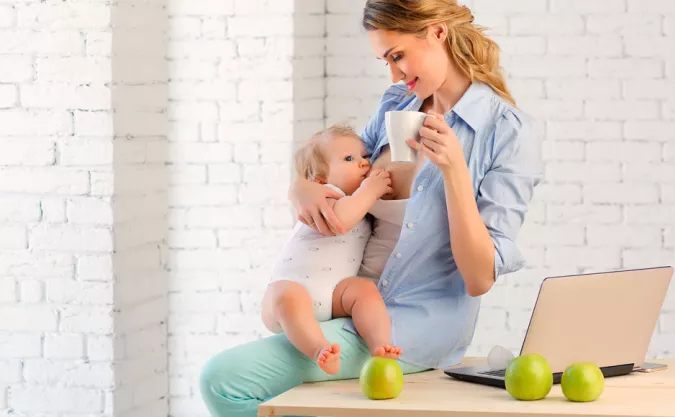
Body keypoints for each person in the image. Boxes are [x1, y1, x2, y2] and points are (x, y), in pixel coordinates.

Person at [200, 1, 542, 416]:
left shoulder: (506, 131)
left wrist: (454, 171)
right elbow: (341, 170)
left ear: (437, 33)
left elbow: (478, 278)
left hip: (415, 326)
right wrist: (302, 187)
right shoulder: (398, 103)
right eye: (385, 60)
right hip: (352, 302)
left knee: (223, 379)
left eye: (398, 56)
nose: (394, 73)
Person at [262, 123, 401, 376]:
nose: (363, 163)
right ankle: (319, 350)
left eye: (365, 157)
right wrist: (371, 190)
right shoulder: (328, 197)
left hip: (334, 294)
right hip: (293, 289)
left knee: (364, 291)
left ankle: (380, 344)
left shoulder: (361, 206)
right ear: (320, 180)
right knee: (286, 296)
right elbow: (341, 221)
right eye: (349, 159)